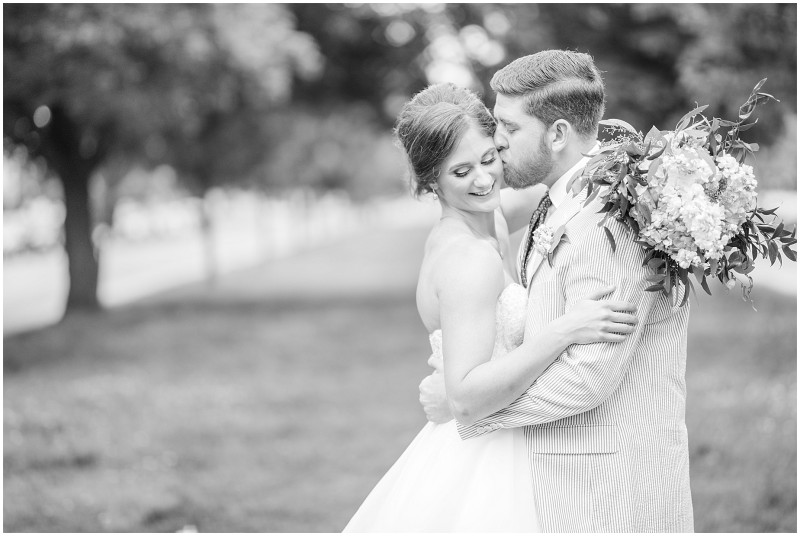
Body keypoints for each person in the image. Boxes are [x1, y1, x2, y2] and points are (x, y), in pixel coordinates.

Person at [419, 50, 695, 532]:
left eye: (508, 126)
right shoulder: (557, 204)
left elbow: (587, 376)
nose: (496, 142)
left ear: (558, 133)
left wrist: (468, 409)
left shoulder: (613, 222)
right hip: (565, 478)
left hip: (613, 486)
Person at [344, 82, 639, 532]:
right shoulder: (468, 259)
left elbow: (566, 181)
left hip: (506, 440)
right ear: (431, 180)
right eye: (460, 173)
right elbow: (464, 395)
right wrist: (563, 331)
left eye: (488, 160)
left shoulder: (490, 221)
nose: (483, 180)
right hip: (485, 459)